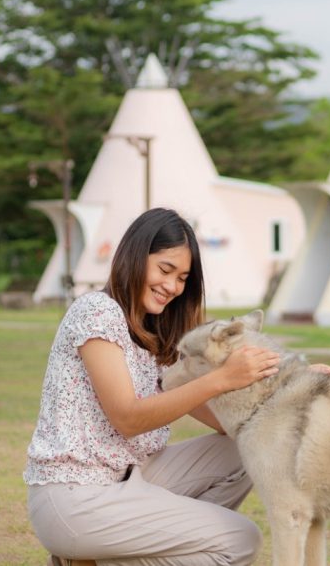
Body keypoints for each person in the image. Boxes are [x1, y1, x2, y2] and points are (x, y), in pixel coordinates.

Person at [25, 207, 308, 565]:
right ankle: (93, 554)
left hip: (130, 481)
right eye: (165, 270)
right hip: (76, 496)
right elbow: (127, 417)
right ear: (134, 256)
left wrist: (301, 385)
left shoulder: (156, 331)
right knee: (240, 540)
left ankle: (103, 557)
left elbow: (228, 423)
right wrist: (220, 378)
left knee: (250, 444)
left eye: (182, 278)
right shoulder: (97, 312)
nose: (173, 287)